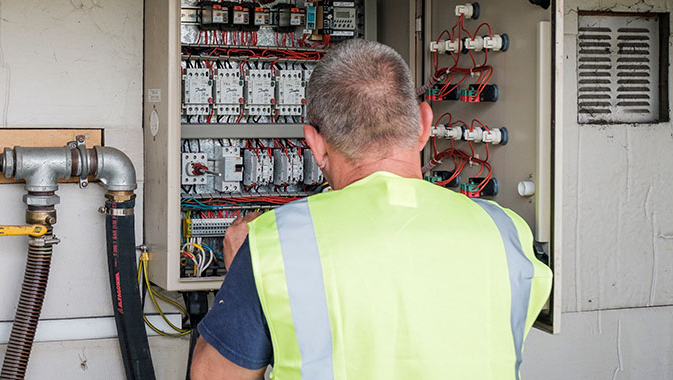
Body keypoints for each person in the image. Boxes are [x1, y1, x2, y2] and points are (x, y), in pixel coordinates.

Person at [189, 39, 553, 380]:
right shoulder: (507, 233)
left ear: (315, 145)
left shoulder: (273, 248)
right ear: (426, 124)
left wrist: (241, 271)